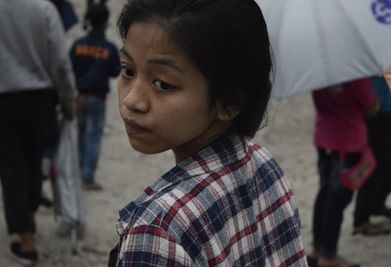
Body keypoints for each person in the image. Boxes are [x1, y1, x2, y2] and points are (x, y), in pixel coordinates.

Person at [108, 0, 308, 266]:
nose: (132, 100)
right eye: (128, 70)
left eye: (162, 84)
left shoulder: (158, 231)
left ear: (230, 101)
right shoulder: (265, 166)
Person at [0, 0, 76, 265]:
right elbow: (59, 60)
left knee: (12, 168)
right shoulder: (43, 8)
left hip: (4, 101)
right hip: (41, 100)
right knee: (34, 163)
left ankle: (26, 239)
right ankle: (27, 218)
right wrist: (68, 100)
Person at [308, 79, 379, 267]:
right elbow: (370, 105)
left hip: (324, 137)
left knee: (324, 194)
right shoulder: (354, 72)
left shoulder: (319, 69)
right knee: (336, 200)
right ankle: (328, 256)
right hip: (347, 141)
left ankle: (318, 249)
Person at [70, 3, 120, 190]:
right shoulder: (109, 48)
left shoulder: (78, 45)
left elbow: (68, 68)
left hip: (80, 96)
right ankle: (88, 177)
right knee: (93, 136)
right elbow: (115, 72)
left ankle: (79, 171)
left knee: (81, 133)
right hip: (98, 98)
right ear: (106, 22)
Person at [353, 76, 391, 235]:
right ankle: (361, 218)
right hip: (380, 111)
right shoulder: (382, 54)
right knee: (376, 164)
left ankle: (377, 203)